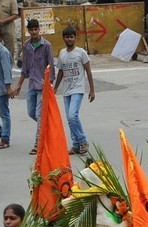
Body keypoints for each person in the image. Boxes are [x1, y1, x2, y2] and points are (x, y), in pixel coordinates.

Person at [13, 18, 54, 155]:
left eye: (36, 29)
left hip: (43, 85)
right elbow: (25, 68)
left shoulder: (47, 45)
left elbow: (51, 66)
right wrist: (19, 85)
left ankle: (38, 143)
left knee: (39, 114)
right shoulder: (27, 46)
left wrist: (50, 84)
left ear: (39, 30)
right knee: (31, 113)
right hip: (31, 85)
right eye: (31, 30)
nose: (34, 32)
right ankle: (46, 130)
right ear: (29, 31)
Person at [54, 26, 95, 157]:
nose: (69, 39)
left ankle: (83, 141)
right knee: (69, 119)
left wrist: (92, 90)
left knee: (73, 115)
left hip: (78, 89)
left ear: (75, 38)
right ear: (63, 38)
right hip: (66, 90)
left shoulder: (81, 52)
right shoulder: (62, 53)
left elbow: (88, 70)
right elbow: (60, 71)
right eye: (67, 37)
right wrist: (55, 88)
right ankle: (76, 145)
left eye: (72, 37)